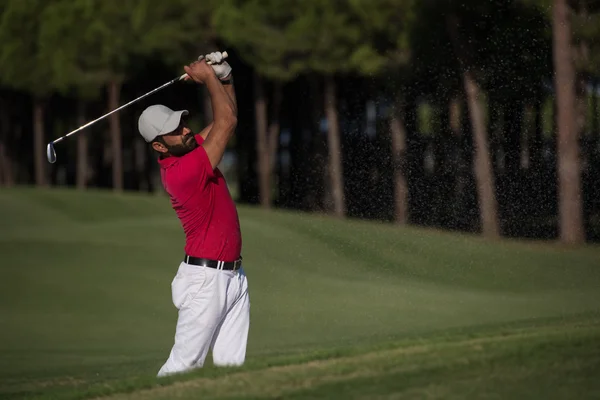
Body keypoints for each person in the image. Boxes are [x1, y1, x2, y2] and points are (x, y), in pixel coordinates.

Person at [137, 52, 249, 377]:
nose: (185, 129)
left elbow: (227, 116)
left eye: (183, 122)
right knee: (182, 369)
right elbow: (226, 123)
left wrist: (224, 78)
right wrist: (208, 78)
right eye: (175, 129)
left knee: (232, 371)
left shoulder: (191, 149)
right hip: (206, 281)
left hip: (233, 277)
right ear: (159, 146)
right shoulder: (181, 171)